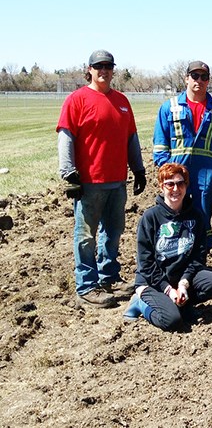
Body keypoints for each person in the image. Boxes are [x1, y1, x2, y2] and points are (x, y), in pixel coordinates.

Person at [57, 49, 146, 308]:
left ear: (113, 69)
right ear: (90, 70)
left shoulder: (121, 101)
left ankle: (109, 277)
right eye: (98, 67)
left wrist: (138, 168)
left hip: (117, 181)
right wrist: (68, 173)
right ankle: (86, 286)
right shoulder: (77, 100)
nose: (103, 71)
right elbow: (65, 137)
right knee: (85, 236)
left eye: (108, 66)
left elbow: (131, 137)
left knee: (113, 232)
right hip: (89, 183)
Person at [153, 61, 212, 251]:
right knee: (174, 217)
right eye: (195, 76)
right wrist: (169, 174)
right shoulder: (168, 108)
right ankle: (174, 259)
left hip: (205, 176)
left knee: (202, 217)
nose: (199, 80)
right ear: (186, 78)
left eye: (204, 77)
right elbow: (159, 148)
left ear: (208, 81)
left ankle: (200, 259)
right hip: (176, 177)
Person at [123, 163, 212, 331]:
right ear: (161, 187)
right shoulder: (150, 218)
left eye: (180, 183)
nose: (176, 189)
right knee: (172, 321)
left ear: (186, 186)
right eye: (170, 184)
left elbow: (198, 257)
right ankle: (140, 304)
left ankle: (181, 303)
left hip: (180, 278)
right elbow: (146, 263)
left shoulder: (196, 216)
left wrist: (184, 283)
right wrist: (168, 289)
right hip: (153, 282)